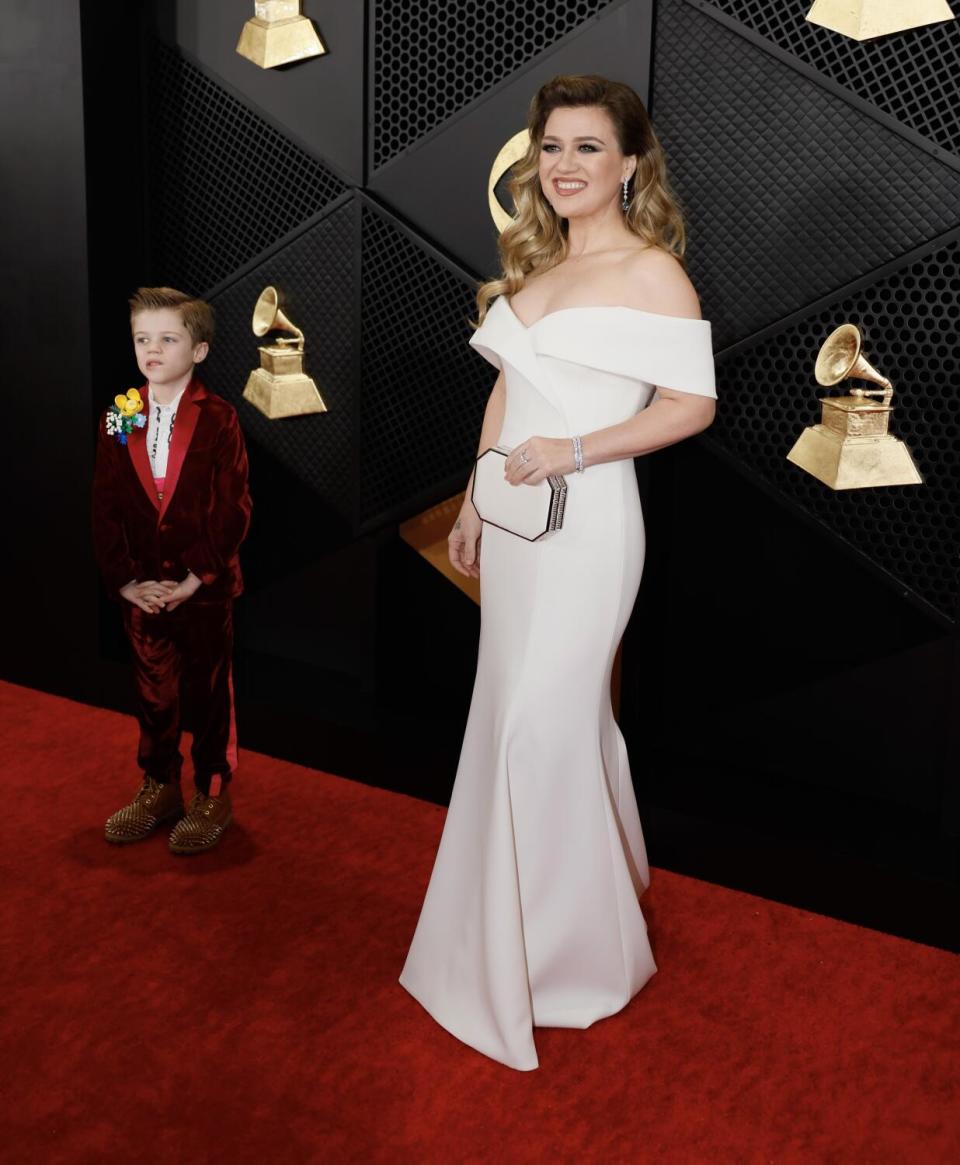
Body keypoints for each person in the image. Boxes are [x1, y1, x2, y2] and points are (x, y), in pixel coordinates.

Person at [399, 75, 717, 1070]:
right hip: (517, 521)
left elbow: (689, 406)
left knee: (544, 724)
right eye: (551, 148)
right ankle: (514, 938)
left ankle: (571, 958)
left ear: (630, 164)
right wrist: (476, 501)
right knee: (511, 720)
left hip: (589, 531)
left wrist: (573, 451)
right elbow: (509, 392)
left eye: (588, 147)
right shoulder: (531, 272)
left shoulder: (653, 272)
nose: (566, 164)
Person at [93, 287, 252, 854]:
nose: (152, 350)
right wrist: (126, 582)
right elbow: (106, 504)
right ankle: (159, 785)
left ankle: (212, 793)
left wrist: (194, 578)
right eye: (142, 339)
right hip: (144, 593)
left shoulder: (220, 420)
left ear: (200, 350)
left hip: (200, 591)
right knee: (153, 696)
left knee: (209, 697)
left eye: (167, 338)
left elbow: (233, 509)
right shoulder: (121, 413)